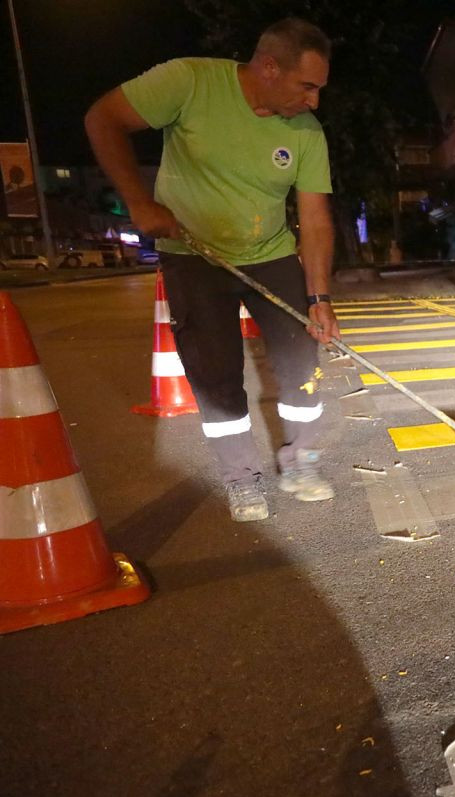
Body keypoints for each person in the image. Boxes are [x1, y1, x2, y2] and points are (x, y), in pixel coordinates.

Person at [85, 18, 341, 522]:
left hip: (270, 255)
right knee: (216, 375)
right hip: (193, 256)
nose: (313, 101)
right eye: (306, 86)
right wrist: (138, 200)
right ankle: (240, 476)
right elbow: (103, 118)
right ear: (269, 67)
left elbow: (314, 220)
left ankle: (301, 462)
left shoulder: (307, 132)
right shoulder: (189, 82)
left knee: (302, 370)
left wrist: (320, 298)